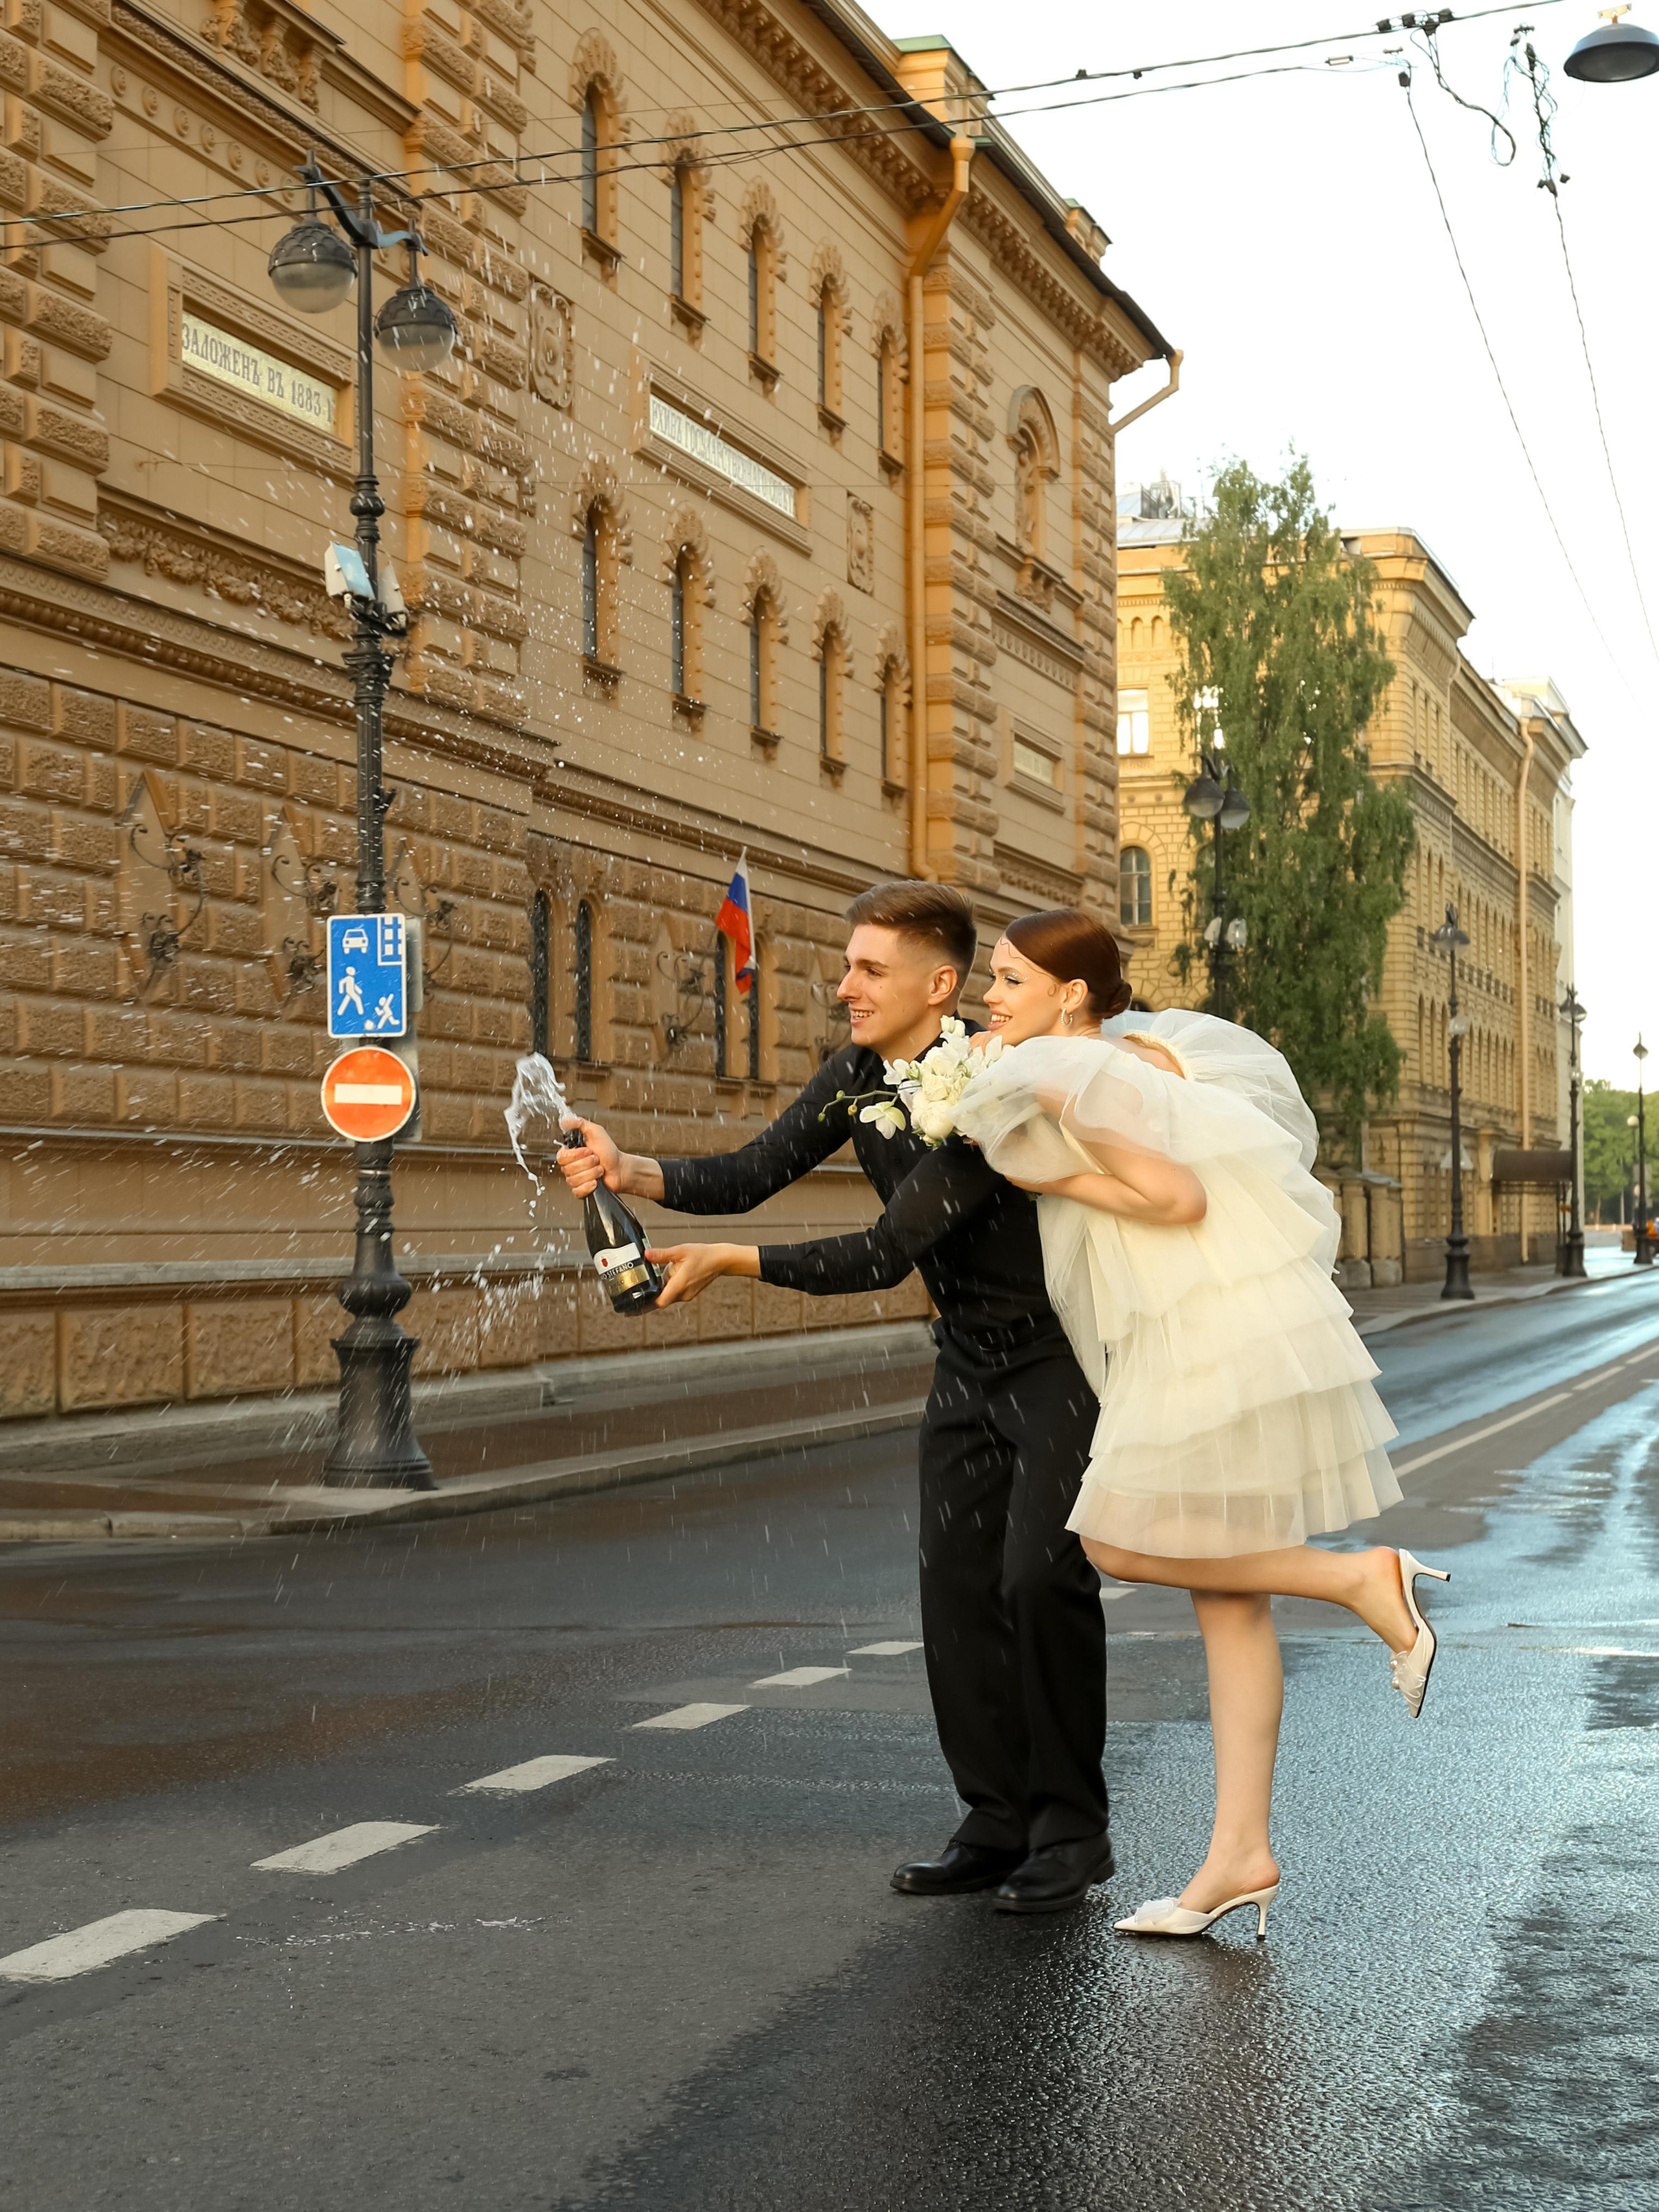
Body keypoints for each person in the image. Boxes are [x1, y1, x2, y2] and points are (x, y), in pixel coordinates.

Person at [555, 882, 1115, 1914]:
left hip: (1055, 1362)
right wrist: (629, 1167)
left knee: (1039, 1582)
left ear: (938, 984)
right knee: (955, 1595)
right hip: (966, 1362)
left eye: (869, 969)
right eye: (847, 964)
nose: (843, 984)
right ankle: (994, 1821)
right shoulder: (859, 1072)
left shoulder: (989, 1083)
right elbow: (755, 1167)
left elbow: (887, 1250)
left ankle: (1073, 1831)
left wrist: (730, 1263)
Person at [953, 909, 1448, 1942]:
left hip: (1200, 1338)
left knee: (1111, 1537)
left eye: (1008, 979)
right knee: (1231, 1599)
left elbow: (1173, 1195)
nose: (989, 996)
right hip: (1230, 1323)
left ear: (1070, 995)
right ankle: (1240, 1855)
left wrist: (1048, 1174)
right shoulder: (1138, 1050)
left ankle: (1362, 1576)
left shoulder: (1068, 1073)